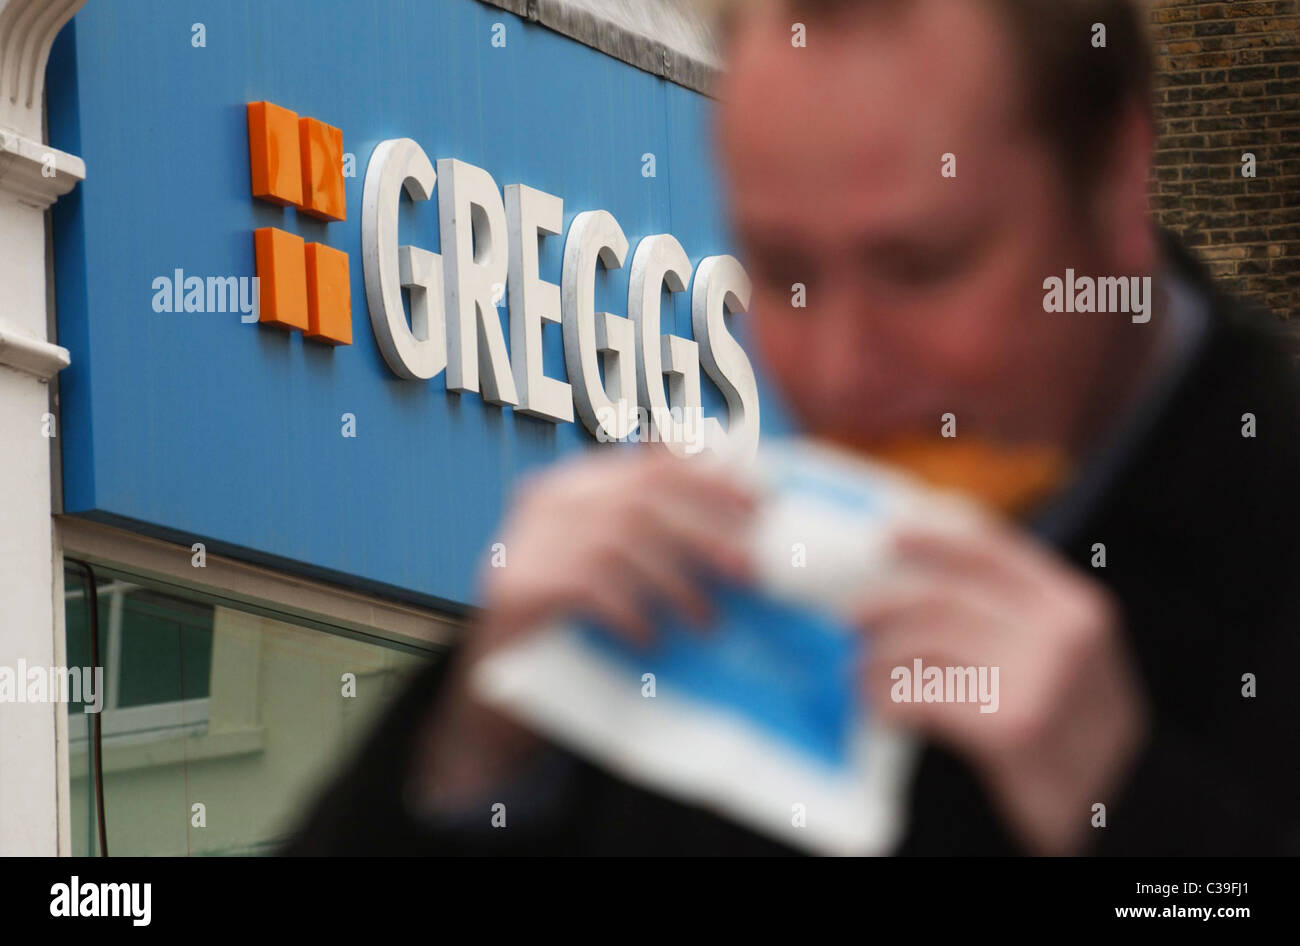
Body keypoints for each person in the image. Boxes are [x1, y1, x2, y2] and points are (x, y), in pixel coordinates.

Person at [283, 0, 1300, 856]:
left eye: (920, 267)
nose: (837, 371)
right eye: (783, 272)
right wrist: (467, 750)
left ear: (1117, 181)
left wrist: (1125, 808)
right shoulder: (697, 597)